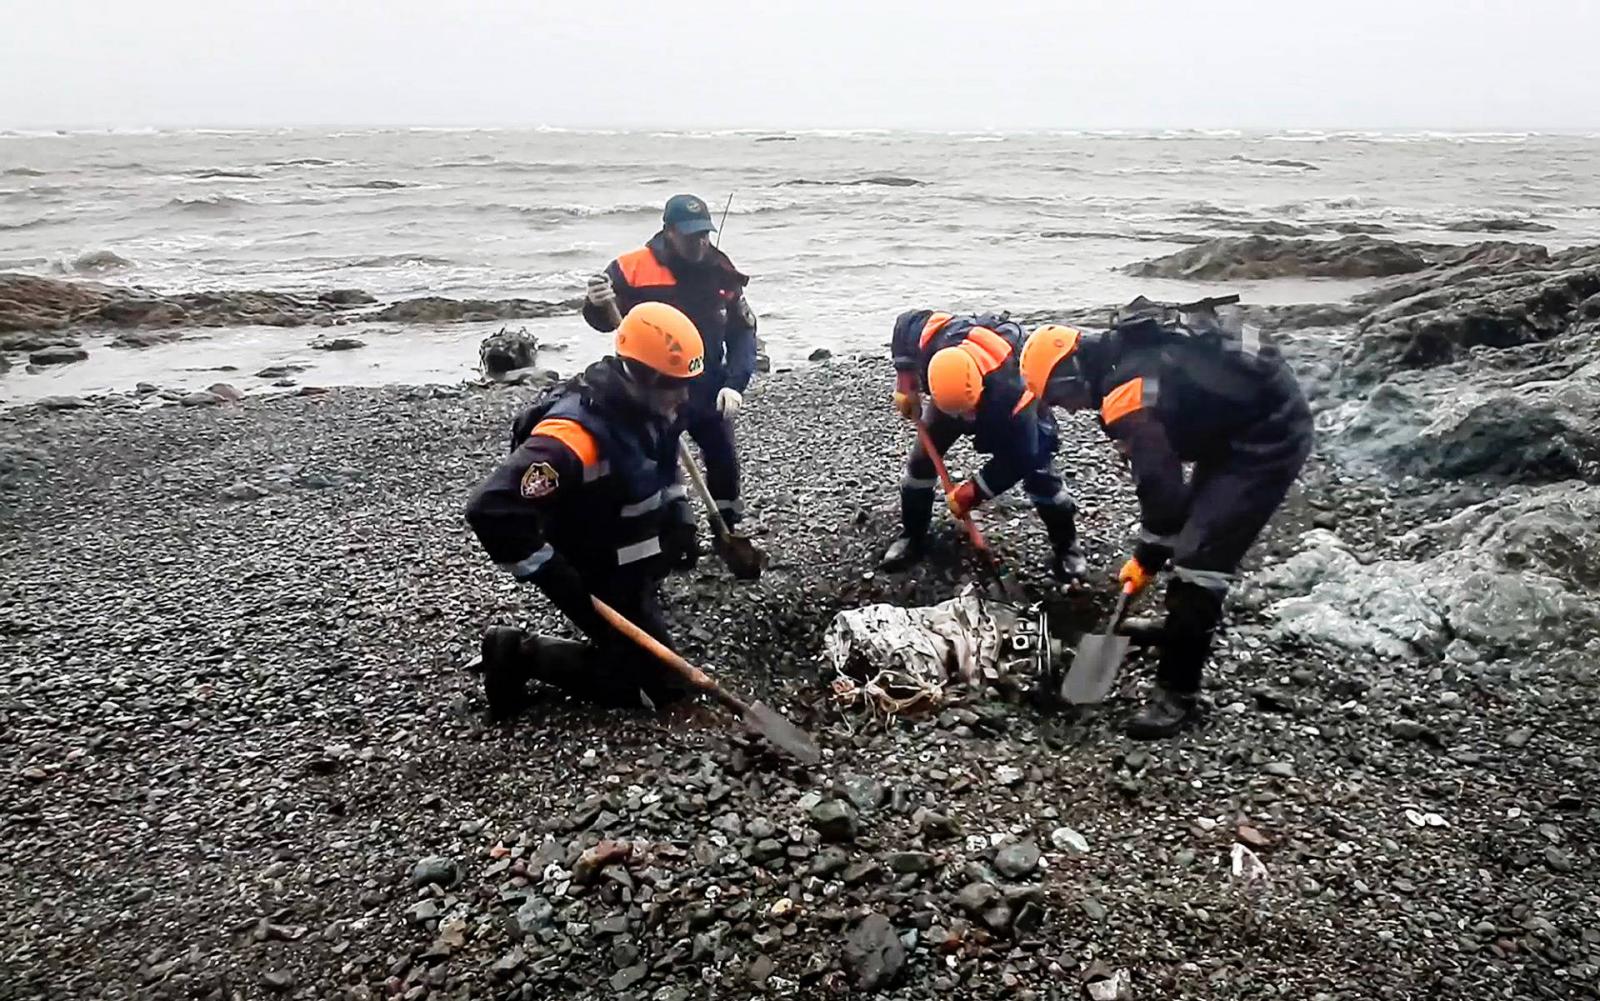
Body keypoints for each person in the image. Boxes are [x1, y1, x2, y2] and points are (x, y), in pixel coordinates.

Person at [1016, 296, 1313, 738]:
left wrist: (1147, 557)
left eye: (1059, 398)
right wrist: (1154, 549)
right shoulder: (1118, 355)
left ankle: (1177, 694)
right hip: (1234, 425)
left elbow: (1163, 496)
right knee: (1193, 531)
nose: (1068, 409)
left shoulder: (1126, 397)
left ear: (1072, 373)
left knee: (1199, 559)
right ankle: (1179, 625)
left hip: (1268, 436)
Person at [464, 302, 706, 718]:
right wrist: (558, 581)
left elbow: (664, 460)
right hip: (594, 569)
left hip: (632, 558)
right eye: (675, 384)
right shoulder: (574, 437)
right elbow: (491, 508)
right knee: (660, 688)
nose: (684, 395)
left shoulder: (654, 406)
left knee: (656, 662)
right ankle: (520, 651)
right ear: (644, 375)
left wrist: (679, 510)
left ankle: (630, 620)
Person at [582, 194, 757, 533]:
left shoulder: (720, 271)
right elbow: (607, 321)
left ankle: (729, 525)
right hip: (651, 389)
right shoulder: (631, 268)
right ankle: (674, 531)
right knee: (658, 464)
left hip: (707, 383)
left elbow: (743, 332)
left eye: (704, 234)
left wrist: (734, 384)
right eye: (691, 235)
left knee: (723, 457)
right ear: (668, 232)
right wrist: (596, 304)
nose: (700, 242)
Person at [881, 309, 1085, 579]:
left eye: (967, 414)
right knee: (921, 461)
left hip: (1001, 406)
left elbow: (1022, 456)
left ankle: (1067, 547)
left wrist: (973, 492)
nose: (966, 421)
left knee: (1039, 472)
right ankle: (913, 536)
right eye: (960, 415)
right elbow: (906, 323)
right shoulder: (934, 339)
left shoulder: (1017, 390)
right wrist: (905, 382)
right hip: (952, 396)